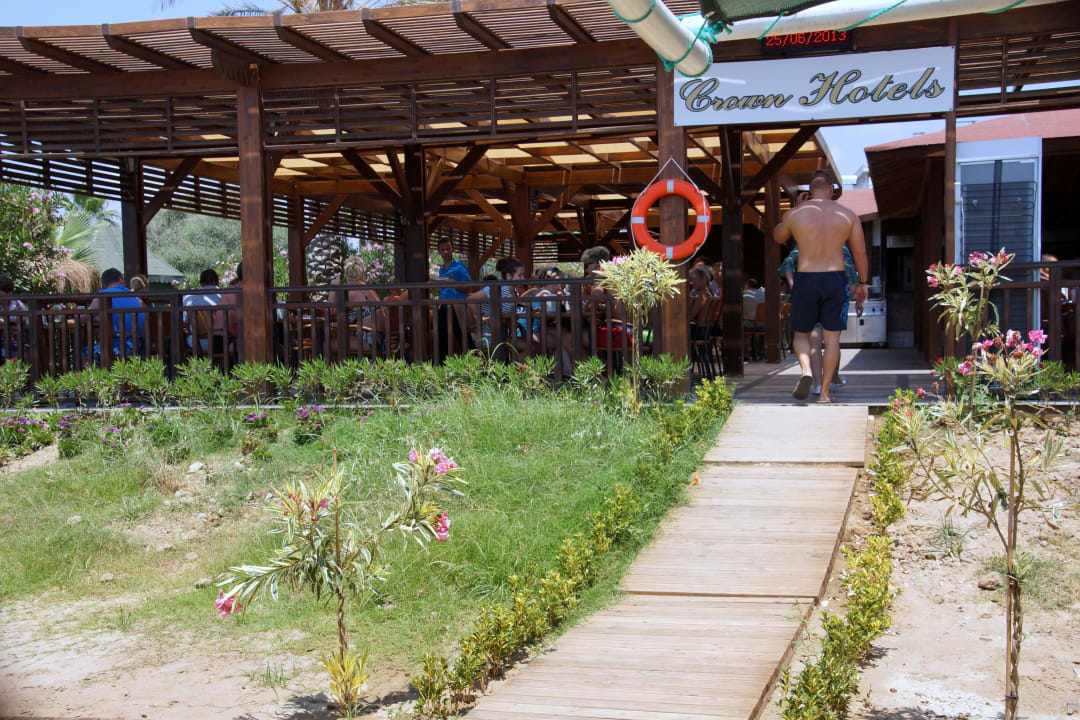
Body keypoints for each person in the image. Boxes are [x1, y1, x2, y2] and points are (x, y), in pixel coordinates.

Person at [774, 169, 869, 403]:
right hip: (835, 278)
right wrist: (862, 283)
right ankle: (825, 393)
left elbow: (778, 236)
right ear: (830, 189)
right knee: (832, 339)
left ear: (810, 189)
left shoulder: (796, 214)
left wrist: (795, 209)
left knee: (801, 333)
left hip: (806, 277)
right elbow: (860, 253)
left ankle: (806, 371)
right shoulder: (848, 215)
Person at [780, 246, 862, 395]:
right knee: (832, 341)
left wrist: (794, 287)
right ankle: (831, 382)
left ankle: (816, 383)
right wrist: (851, 296)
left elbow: (788, 264)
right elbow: (851, 276)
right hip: (834, 294)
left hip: (809, 291)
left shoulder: (806, 241)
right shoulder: (840, 245)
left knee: (814, 341)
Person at [88, 267, 146, 358]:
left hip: (119, 345)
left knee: (83, 353)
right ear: (120, 279)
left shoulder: (103, 295)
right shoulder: (135, 297)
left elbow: (84, 317)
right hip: (139, 344)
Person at [470, 257, 523, 349]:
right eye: (520, 275)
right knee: (531, 346)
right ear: (508, 276)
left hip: (502, 336)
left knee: (531, 345)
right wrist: (483, 318)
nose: (523, 278)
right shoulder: (497, 288)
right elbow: (471, 300)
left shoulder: (514, 292)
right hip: (489, 339)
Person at [339, 256, 386, 355]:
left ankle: (328, 366)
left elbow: (334, 314)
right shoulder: (369, 290)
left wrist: (334, 286)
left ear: (346, 274)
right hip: (380, 339)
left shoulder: (350, 292)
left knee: (326, 344)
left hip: (367, 339)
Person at [435, 238, 472, 363]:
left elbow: (468, 287)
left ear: (452, 249)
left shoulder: (460, 267)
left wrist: (453, 284)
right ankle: (442, 365)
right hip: (444, 306)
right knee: (442, 337)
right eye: (443, 249)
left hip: (458, 307)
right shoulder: (441, 269)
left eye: (448, 249)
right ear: (439, 251)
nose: (446, 252)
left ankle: (473, 363)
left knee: (462, 335)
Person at [183, 268, 223, 353]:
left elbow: (183, 322)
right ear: (216, 281)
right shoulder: (223, 297)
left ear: (200, 283)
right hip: (220, 344)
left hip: (195, 344)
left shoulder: (188, 298)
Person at [0, 275, 28, 359]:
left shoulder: (18, 304)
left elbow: (26, 319)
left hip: (17, 340)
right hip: (2, 340)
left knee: (25, 353)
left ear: (10, 293)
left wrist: (7, 321)